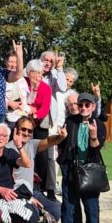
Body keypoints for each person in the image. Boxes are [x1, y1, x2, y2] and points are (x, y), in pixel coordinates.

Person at [58, 91, 106, 223]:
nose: (83, 107)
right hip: (71, 170)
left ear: (93, 106)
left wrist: (93, 137)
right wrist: (60, 139)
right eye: (81, 105)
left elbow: (97, 149)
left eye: (87, 105)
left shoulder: (99, 124)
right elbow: (61, 143)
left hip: (90, 171)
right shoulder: (70, 121)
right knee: (68, 208)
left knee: (91, 209)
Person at [10, 115, 64, 221]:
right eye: (23, 129)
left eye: (29, 131)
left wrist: (60, 137)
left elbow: (48, 141)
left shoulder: (32, 144)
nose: (26, 133)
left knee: (55, 209)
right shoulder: (9, 147)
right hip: (17, 193)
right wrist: (27, 197)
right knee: (33, 212)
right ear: (16, 129)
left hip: (32, 191)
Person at [41, 50, 67, 198]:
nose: (48, 63)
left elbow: (63, 88)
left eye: (51, 61)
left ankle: (50, 188)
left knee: (51, 156)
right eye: (46, 60)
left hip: (51, 121)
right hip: (37, 119)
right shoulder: (34, 73)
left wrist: (59, 68)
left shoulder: (54, 75)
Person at [24, 58, 52, 192]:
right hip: (24, 121)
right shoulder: (23, 84)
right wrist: (29, 109)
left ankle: (42, 186)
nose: (37, 76)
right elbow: (23, 101)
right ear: (28, 73)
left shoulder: (46, 88)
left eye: (40, 73)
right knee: (25, 150)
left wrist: (35, 114)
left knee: (42, 153)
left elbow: (45, 108)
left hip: (39, 122)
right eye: (34, 72)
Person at [4, 42, 29, 127]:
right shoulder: (1, 77)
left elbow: (27, 96)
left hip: (22, 118)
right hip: (7, 118)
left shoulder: (23, 79)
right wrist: (9, 103)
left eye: (16, 62)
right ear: (6, 62)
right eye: (11, 62)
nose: (13, 65)